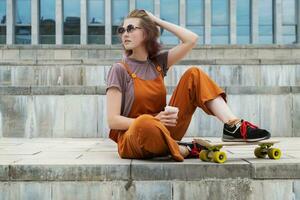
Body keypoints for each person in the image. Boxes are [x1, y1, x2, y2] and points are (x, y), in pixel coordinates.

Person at [105, 9, 270, 162]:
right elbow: (113, 121)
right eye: (122, 30)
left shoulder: (157, 63)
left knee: (194, 74)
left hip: (165, 128)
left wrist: (157, 21)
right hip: (134, 137)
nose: (125, 34)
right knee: (144, 123)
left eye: (131, 28)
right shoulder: (119, 69)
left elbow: (191, 39)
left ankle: (233, 126)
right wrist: (154, 119)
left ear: (147, 33)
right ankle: (181, 149)